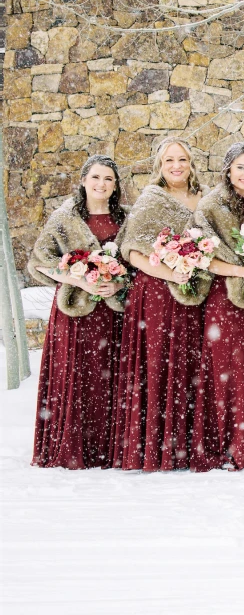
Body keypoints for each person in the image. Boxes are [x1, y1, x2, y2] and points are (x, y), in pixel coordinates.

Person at [113, 138, 207, 471]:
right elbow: (134, 252)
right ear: (160, 165)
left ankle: (184, 445)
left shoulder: (203, 198)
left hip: (193, 293)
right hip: (155, 291)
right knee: (157, 363)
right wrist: (171, 272)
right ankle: (154, 448)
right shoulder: (152, 199)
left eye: (182, 159)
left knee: (188, 364)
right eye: (170, 161)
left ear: (191, 163)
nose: (177, 166)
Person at [28, 156, 128, 469]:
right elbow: (40, 263)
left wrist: (118, 284)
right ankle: (73, 447)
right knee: (77, 375)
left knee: (110, 376)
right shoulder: (64, 218)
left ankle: (109, 448)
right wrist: (78, 279)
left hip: (113, 312)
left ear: (115, 185)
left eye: (109, 179)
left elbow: (135, 263)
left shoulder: (125, 219)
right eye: (96, 177)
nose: (102, 184)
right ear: (83, 180)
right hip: (74, 312)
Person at [190, 143, 244, 471]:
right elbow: (204, 256)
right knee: (226, 370)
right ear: (228, 169)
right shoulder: (211, 205)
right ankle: (225, 446)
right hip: (224, 298)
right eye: (241, 167)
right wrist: (243, 270)